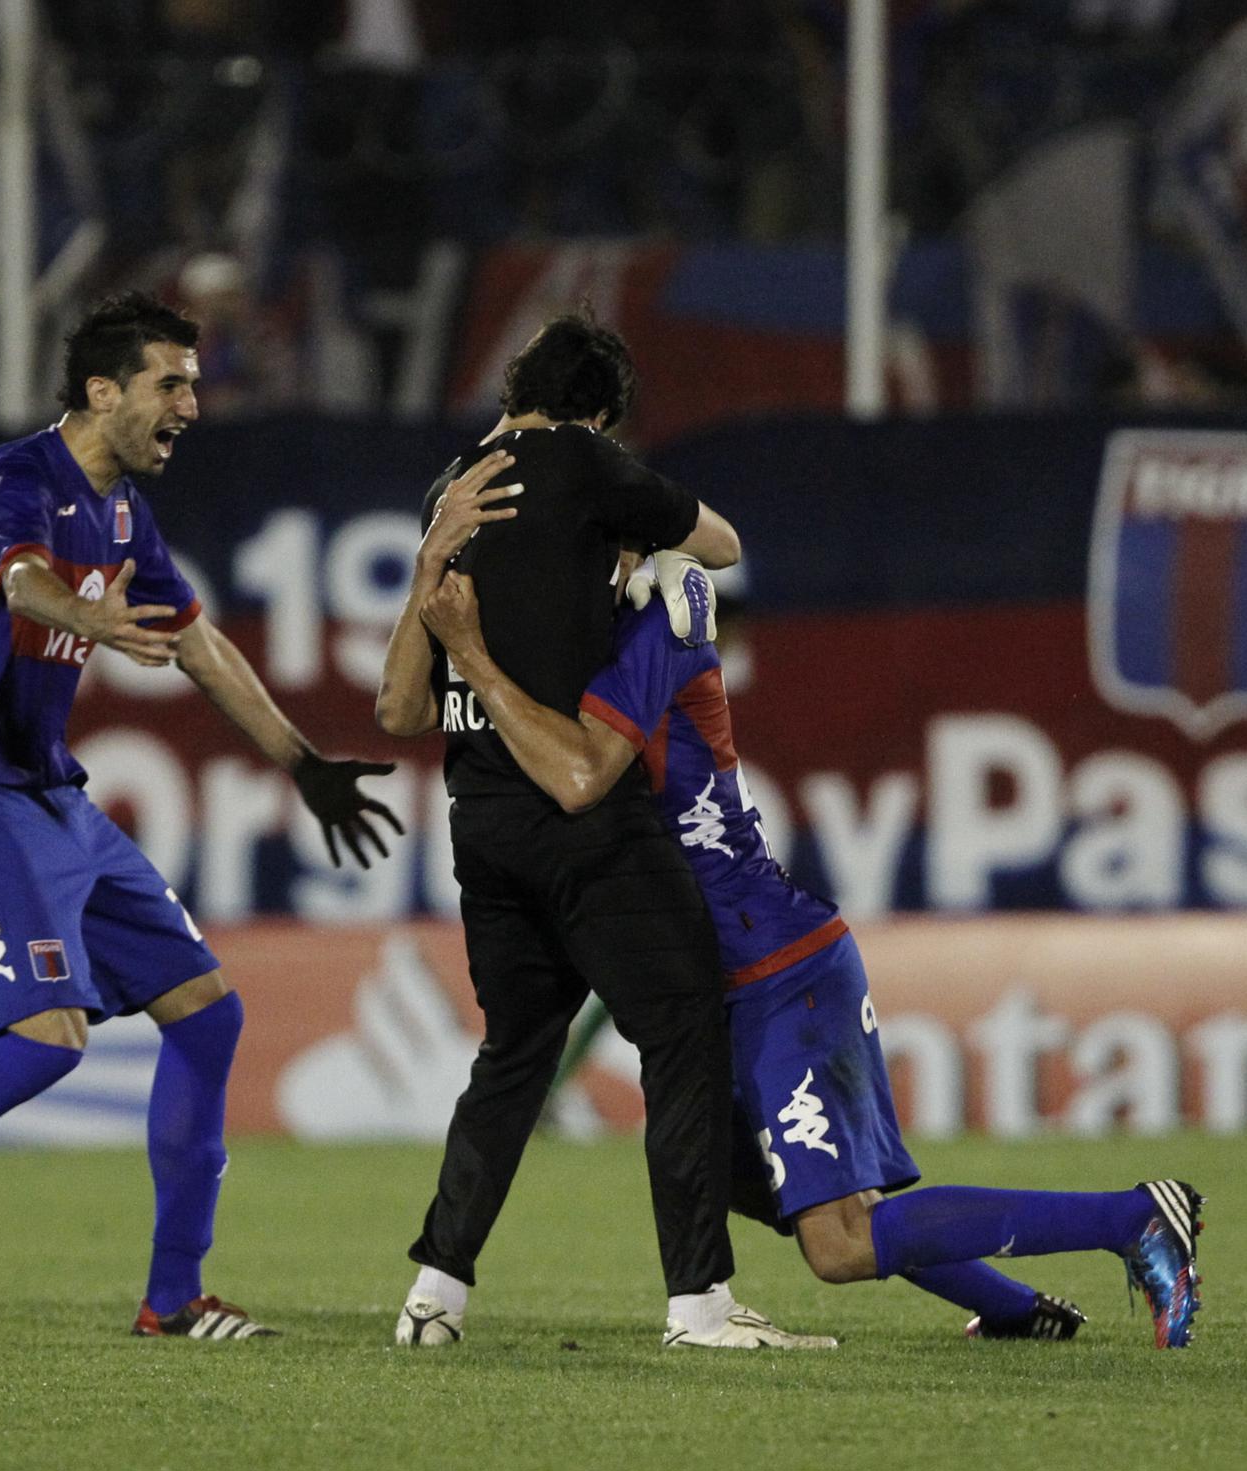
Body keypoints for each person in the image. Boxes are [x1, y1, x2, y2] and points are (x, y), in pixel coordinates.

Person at [0, 290, 403, 1339]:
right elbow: (26, 585)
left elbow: (202, 646)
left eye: (194, 386)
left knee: (208, 1013)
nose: (192, 406)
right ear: (102, 389)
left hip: (51, 794)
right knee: (47, 1037)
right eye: (171, 383)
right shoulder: (12, 480)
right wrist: (90, 618)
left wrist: (301, 765)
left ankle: (173, 1298)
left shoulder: (126, 516)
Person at [413, 553, 1206, 1350]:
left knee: (838, 1241)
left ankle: (1134, 1215)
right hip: (727, 985)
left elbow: (577, 769)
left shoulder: (657, 629)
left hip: (779, 970)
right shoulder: (612, 635)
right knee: (746, 1183)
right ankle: (1010, 1309)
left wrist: (473, 656)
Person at [375, 312, 830, 1351]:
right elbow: (722, 544)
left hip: (479, 821)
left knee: (514, 1055)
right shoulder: (586, 460)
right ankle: (700, 1303)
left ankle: (435, 1295)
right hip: (580, 820)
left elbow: (399, 711)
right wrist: (633, 530)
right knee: (681, 1029)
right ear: (597, 412)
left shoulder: (449, 486)